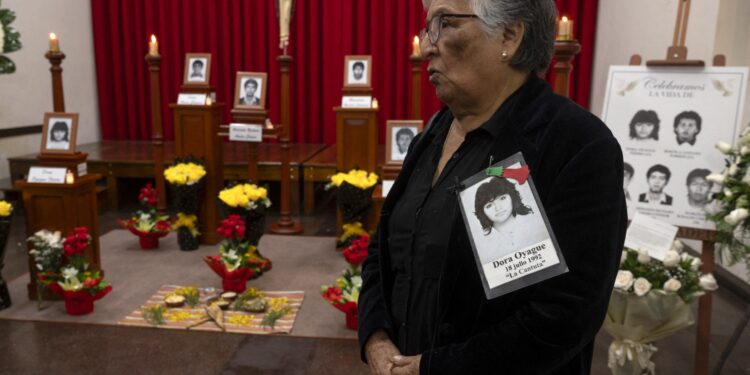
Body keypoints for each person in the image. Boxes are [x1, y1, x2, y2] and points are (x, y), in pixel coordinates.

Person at [358, 0, 627, 374]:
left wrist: (434, 369)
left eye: (446, 23)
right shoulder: (432, 135)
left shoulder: (576, 146)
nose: (428, 44)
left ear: (509, 36)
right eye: (428, 26)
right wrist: (376, 336)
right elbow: (385, 251)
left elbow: (564, 315)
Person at [472, 177, 547, 264]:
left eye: (502, 198)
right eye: (489, 205)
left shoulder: (536, 223)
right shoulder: (482, 246)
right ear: (482, 212)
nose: (498, 208)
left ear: (512, 197)